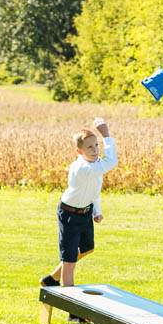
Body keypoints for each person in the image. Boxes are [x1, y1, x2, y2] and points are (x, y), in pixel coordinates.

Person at [40, 117, 117, 292]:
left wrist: (97, 210)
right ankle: (73, 314)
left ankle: (52, 278)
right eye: (89, 147)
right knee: (70, 261)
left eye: (96, 145)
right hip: (69, 215)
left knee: (87, 249)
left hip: (85, 212)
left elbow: (94, 190)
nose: (95, 150)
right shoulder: (81, 168)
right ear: (79, 151)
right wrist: (106, 135)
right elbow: (111, 162)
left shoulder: (95, 164)